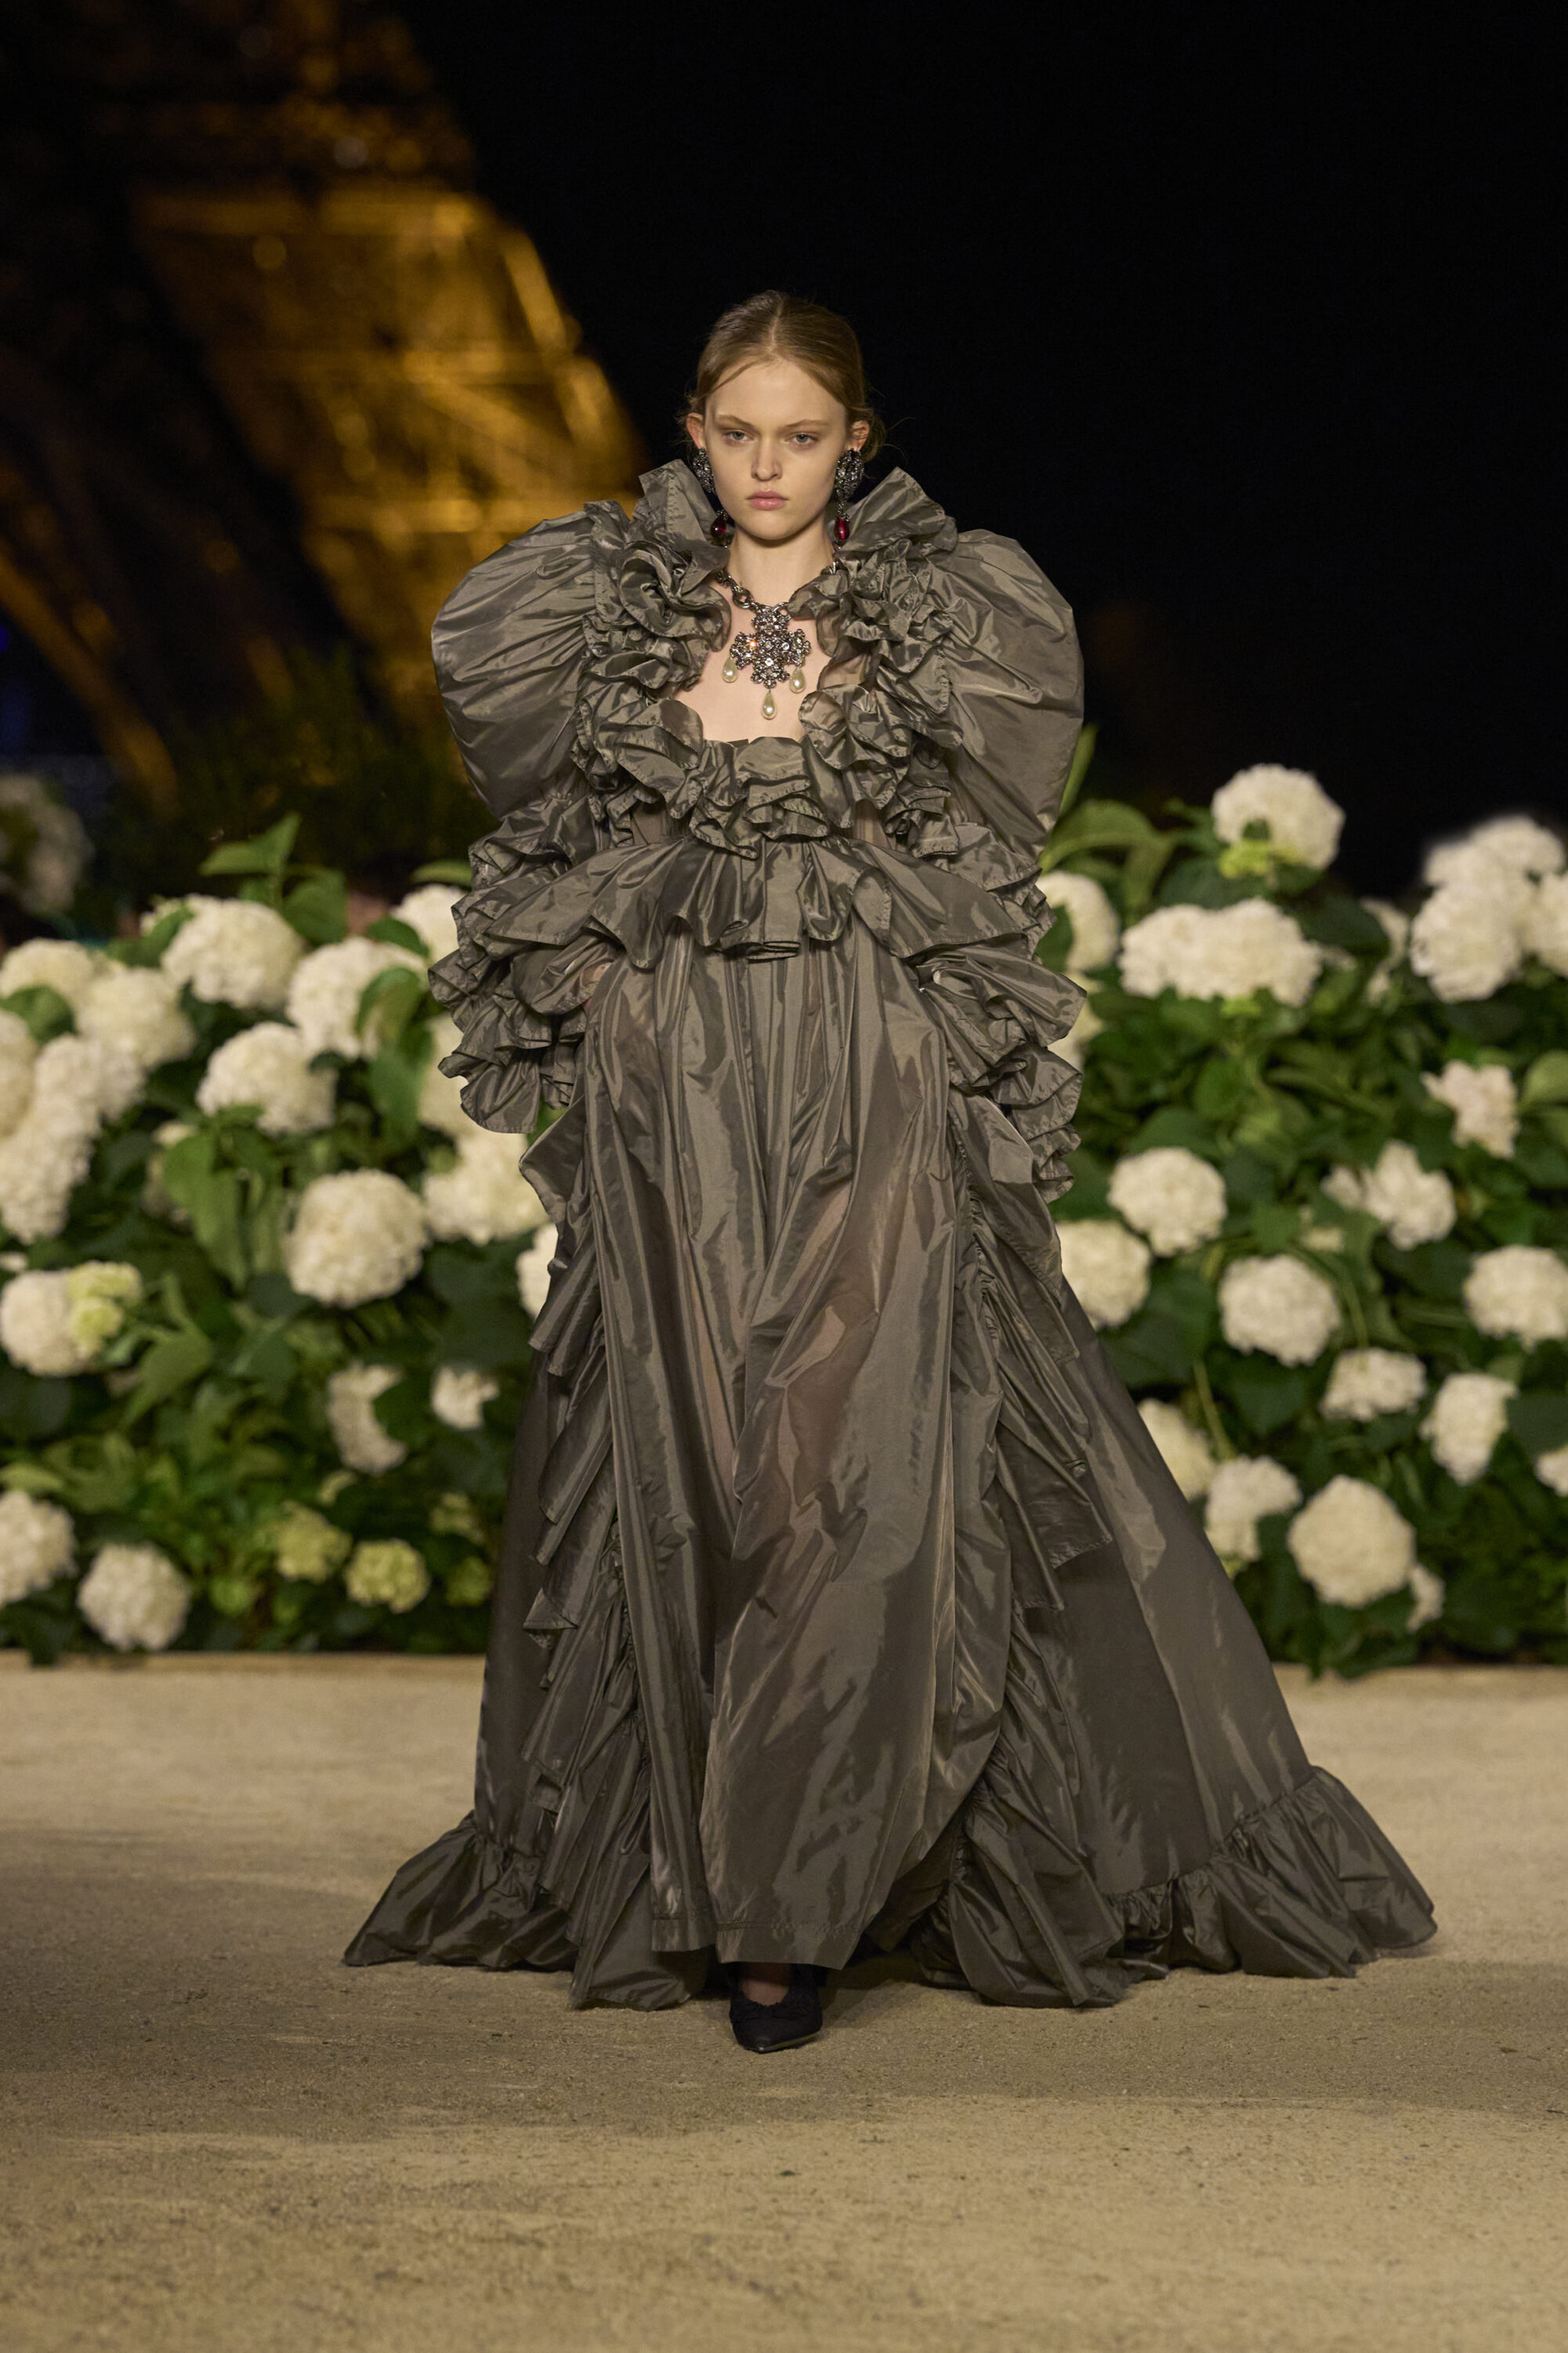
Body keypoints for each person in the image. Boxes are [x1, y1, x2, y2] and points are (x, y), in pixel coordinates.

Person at [345, 292, 1434, 2052]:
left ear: (857, 440)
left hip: (866, 1075)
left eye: (801, 435)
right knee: (698, 1457)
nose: (766, 467)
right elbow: (561, 848)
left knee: (840, 1461)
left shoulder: (950, 610)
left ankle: (785, 1909)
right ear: (693, 431)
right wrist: (617, 1004)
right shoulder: (599, 609)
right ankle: (713, 1857)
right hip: (674, 1092)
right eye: (736, 433)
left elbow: (964, 854)